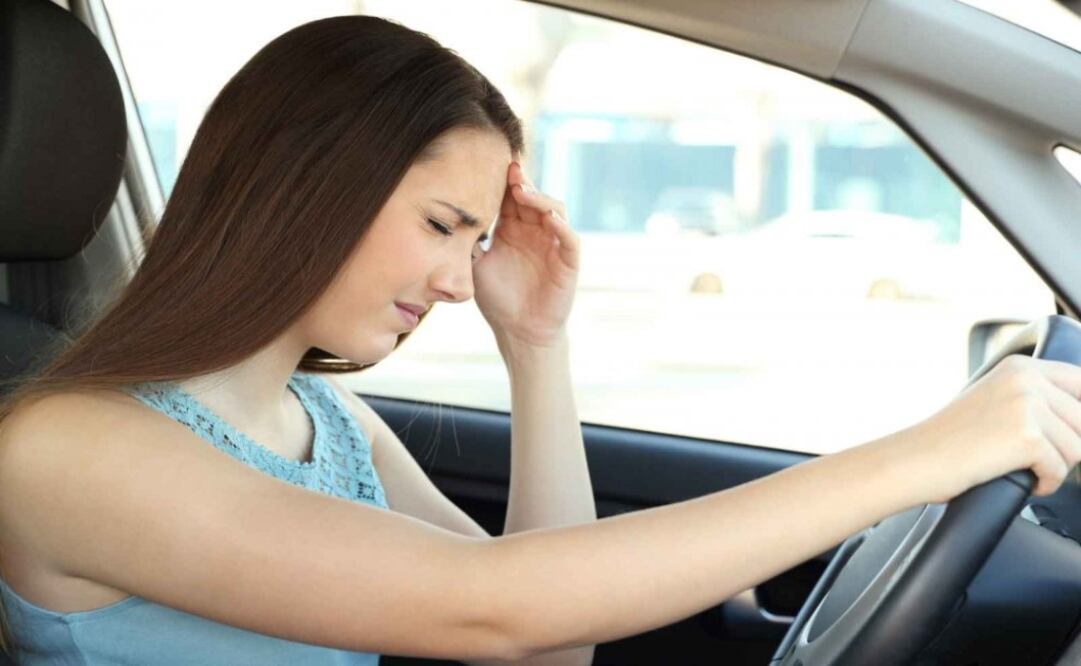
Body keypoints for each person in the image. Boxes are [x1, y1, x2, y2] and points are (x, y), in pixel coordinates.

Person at [0, 12, 1078, 666]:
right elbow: (499, 613)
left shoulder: (324, 417)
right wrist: (917, 458)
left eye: (474, 243)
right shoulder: (69, 448)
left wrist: (537, 342)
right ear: (305, 185)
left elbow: (551, 644)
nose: (456, 283)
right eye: (439, 227)